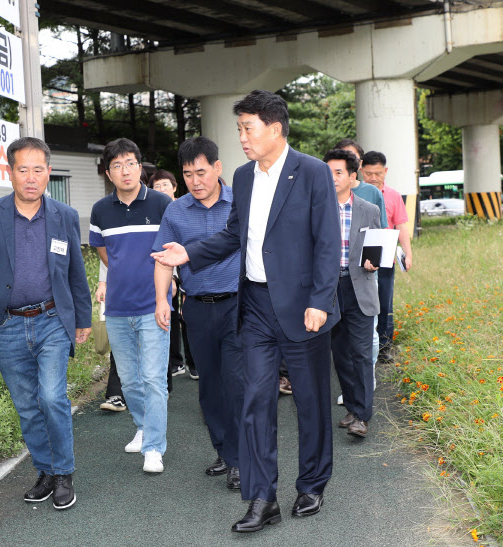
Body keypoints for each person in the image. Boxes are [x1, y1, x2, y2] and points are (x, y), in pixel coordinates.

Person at [152, 90, 340, 533]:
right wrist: (188, 253)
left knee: (310, 401)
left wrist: (319, 301)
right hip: (253, 305)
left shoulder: (311, 173)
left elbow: (329, 244)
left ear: (274, 129)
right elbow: (233, 236)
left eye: (247, 128)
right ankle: (261, 497)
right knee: (255, 400)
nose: (241, 137)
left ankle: (312, 482)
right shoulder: (245, 177)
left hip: (300, 308)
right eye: (238, 128)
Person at [0, 136, 92, 511]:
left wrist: (81, 318)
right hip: (8, 325)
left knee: (51, 396)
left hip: (52, 318)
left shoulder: (64, 216)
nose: (31, 177)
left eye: (39, 169)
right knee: (27, 405)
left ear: (49, 172)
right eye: (23, 169)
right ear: (11, 173)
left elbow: (75, 273)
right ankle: (46, 470)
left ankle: (64, 472)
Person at [153, 136, 245, 491]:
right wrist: (162, 299)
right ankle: (223, 450)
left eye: (202, 172)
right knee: (209, 387)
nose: (196, 181)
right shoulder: (175, 211)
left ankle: (239, 458)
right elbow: (163, 260)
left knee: (237, 384)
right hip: (197, 310)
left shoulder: (240, 202)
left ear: (218, 169)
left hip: (239, 306)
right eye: (188, 174)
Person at [89, 138, 172, 474]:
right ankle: (142, 426)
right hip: (119, 308)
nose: (125, 170)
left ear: (141, 166)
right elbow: (106, 252)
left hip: (154, 304)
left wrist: (164, 294)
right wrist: (113, 277)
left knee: (153, 378)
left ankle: (154, 447)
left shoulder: (163, 203)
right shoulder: (101, 210)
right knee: (130, 379)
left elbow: (171, 250)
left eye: (131, 163)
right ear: (108, 172)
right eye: (117, 165)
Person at [323, 148, 381, 438]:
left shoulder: (369, 210)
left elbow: (377, 249)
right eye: (328, 172)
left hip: (359, 286)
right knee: (340, 354)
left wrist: (374, 262)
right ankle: (352, 406)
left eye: (338, 172)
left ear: (351, 175)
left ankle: (362, 415)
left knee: (361, 353)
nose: (332, 177)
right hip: (328, 290)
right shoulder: (317, 208)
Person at [359, 151, 414, 364]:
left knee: (384, 304)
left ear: (386, 171)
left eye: (378, 173)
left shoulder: (393, 196)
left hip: (385, 259)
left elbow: (401, 226)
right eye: (369, 173)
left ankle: (384, 348)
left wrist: (407, 253)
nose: (373, 177)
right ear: (361, 170)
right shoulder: (355, 192)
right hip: (359, 258)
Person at [148, 170, 198, 380]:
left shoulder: (183, 207)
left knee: (187, 316)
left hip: (185, 269)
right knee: (172, 315)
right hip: (165, 269)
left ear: (175, 186)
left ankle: (193, 363)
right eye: (156, 186)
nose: (161, 189)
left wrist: (176, 278)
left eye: (165, 185)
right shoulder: (154, 209)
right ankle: (176, 362)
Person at [96, 263, 126, 412]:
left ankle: (158, 387)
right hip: (118, 288)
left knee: (146, 343)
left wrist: (172, 277)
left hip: (149, 286)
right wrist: (102, 283)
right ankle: (115, 394)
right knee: (118, 343)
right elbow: (106, 249)